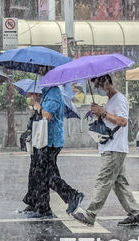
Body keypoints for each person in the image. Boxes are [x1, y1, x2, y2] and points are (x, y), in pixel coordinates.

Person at [72, 74, 139, 226]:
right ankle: (135, 213)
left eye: (99, 85)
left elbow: (123, 121)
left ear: (107, 82)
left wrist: (103, 112)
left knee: (103, 180)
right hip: (110, 147)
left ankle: (90, 215)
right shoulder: (111, 101)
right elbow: (109, 120)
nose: (98, 89)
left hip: (115, 148)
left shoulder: (120, 99)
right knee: (119, 183)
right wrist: (98, 112)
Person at [24, 67, 84, 219]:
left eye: (43, 73)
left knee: (47, 175)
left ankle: (71, 195)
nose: (40, 75)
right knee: (43, 173)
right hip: (45, 140)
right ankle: (42, 206)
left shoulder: (54, 93)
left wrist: (36, 105)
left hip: (50, 141)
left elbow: (47, 115)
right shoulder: (48, 92)